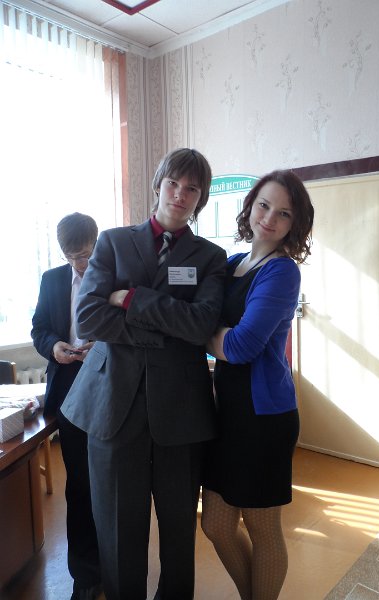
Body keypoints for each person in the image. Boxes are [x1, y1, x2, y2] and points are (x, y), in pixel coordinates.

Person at [60, 148, 227, 600]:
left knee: (178, 533)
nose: (180, 194)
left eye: (192, 188)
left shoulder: (211, 257)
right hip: (112, 407)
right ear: (158, 184)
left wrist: (132, 298)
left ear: (201, 197)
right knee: (117, 530)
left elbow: (201, 324)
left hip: (181, 412)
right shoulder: (114, 242)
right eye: (173, 183)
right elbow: (89, 318)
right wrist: (168, 330)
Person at [201, 170, 314, 600]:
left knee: (262, 528)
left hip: (264, 418)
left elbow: (243, 346)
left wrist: (203, 334)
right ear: (250, 206)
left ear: (294, 224)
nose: (269, 218)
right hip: (225, 414)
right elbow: (215, 331)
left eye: (283, 213)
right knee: (215, 524)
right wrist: (215, 337)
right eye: (264, 205)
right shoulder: (233, 264)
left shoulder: (282, 272)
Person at [31, 212, 102, 600]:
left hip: (109, 389)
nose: (80, 264)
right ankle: (85, 575)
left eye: (86, 254)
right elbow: (40, 328)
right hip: (69, 390)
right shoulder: (52, 280)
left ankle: (115, 566)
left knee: (110, 486)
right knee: (79, 486)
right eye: (72, 256)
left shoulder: (113, 276)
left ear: (96, 243)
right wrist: (55, 346)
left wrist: (102, 347)